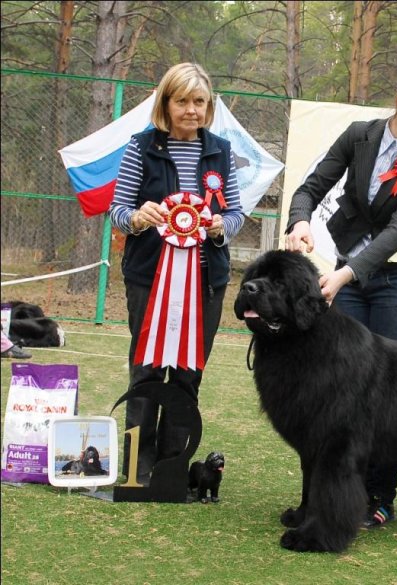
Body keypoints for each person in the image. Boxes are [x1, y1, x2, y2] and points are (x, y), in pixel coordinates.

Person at [285, 56, 397, 527]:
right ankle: (324, 496)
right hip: (347, 280)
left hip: (395, 283)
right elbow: (310, 187)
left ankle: (379, 497)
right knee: (335, 392)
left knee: (388, 396)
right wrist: (300, 220)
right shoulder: (359, 135)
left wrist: (345, 275)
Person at [108, 62, 244, 485]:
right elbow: (118, 210)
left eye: (199, 102)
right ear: (166, 103)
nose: (191, 110)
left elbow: (236, 212)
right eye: (182, 101)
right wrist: (139, 217)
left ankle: (172, 464)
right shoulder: (141, 146)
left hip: (206, 281)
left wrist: (222, 225)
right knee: (146, 369)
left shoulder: (221, 150)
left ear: (208, 106)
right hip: (150, 278)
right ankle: (137, 466)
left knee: (188, 372)